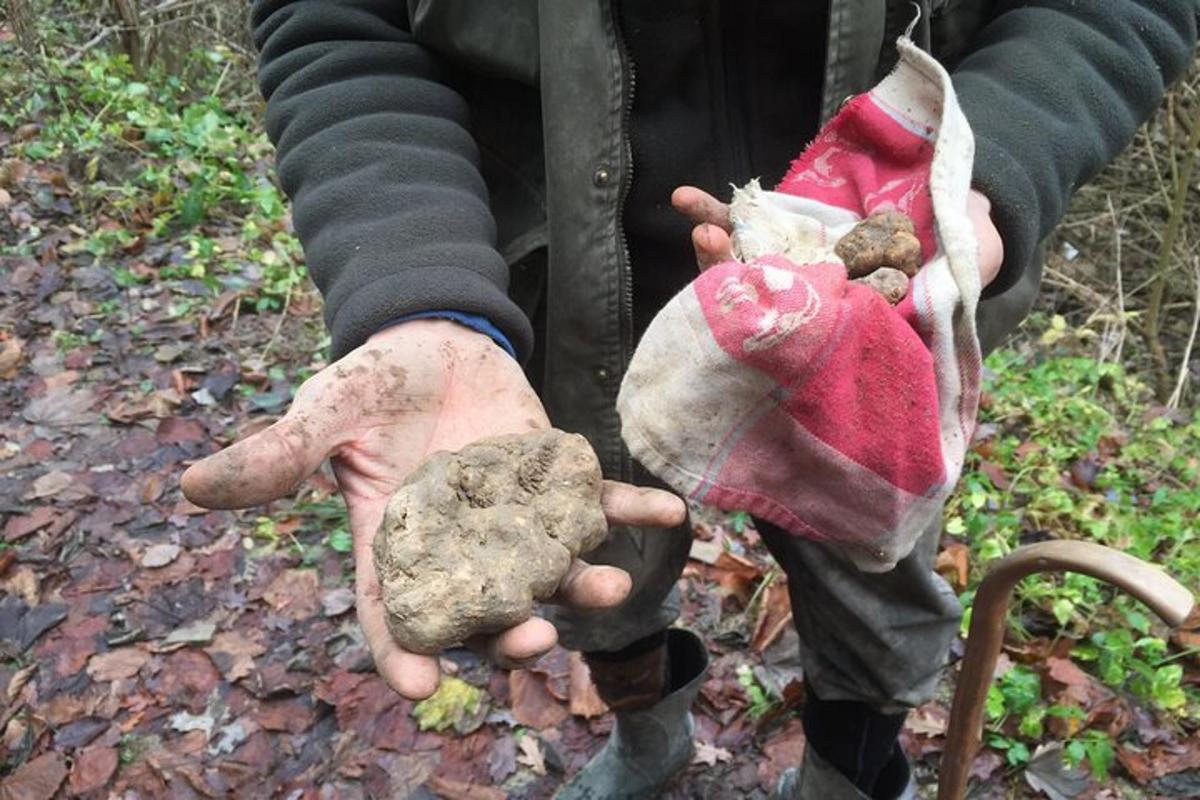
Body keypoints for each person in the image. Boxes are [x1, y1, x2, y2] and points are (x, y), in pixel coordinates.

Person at [182, 2, 1199, 798]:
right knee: (607, 576)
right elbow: (336, 21)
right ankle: (650, 741)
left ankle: (846, 776)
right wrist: (415, 284)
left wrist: (991, 163)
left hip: (858, 318)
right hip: (561, 292)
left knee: (876, 594)